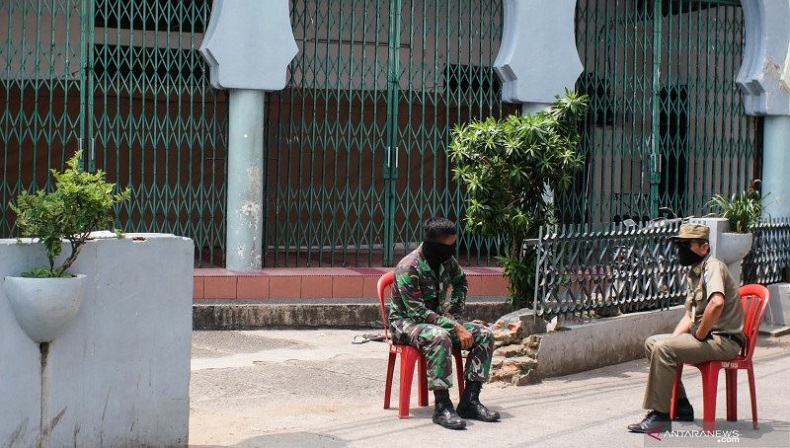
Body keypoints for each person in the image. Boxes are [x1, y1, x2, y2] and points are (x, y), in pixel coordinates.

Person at [628, 223, 745, 433]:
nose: (682, 249)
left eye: (687, 244)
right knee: (654, 343)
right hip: (710, 337)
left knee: (663, 349)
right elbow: (689, 317)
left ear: (703, 248)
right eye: (680, 244)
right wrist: (671, 343)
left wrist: (699, 335)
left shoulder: (712, 267)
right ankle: (682, 406)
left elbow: (717, 302)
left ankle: (660, 415)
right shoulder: (695, 272)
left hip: (724, 340)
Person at [387, 217, 500, 430]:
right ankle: (442, 406)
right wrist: (455, 326)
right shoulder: (408, 267)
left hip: (437, 320)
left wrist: (454, 315)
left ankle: (470, 401)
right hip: (405, 323)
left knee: (484, 334)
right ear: (434, 244)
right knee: (440, 336)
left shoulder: (446, 260)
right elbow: (417, 312)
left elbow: (461, 282)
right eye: (447, 247)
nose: (450, 252)